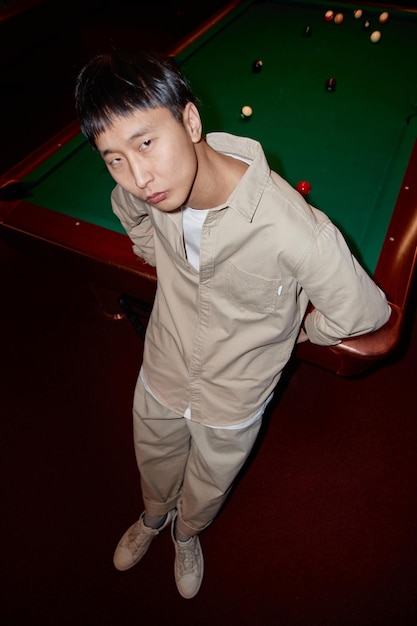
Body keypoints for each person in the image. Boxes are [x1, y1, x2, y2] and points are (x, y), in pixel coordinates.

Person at [74, 49, 391, 599]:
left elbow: (365, 313)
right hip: (163, 370)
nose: (138, 176)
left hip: (235, 398)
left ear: (190, 120)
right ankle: (153, 516)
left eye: (145, 142)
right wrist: (155, 249)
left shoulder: (294, 229)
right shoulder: (144, 192)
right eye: (114, 158)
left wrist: (298, 333)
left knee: (208, 483)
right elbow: (129, 212)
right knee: (154, 458)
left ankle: (187, 532)